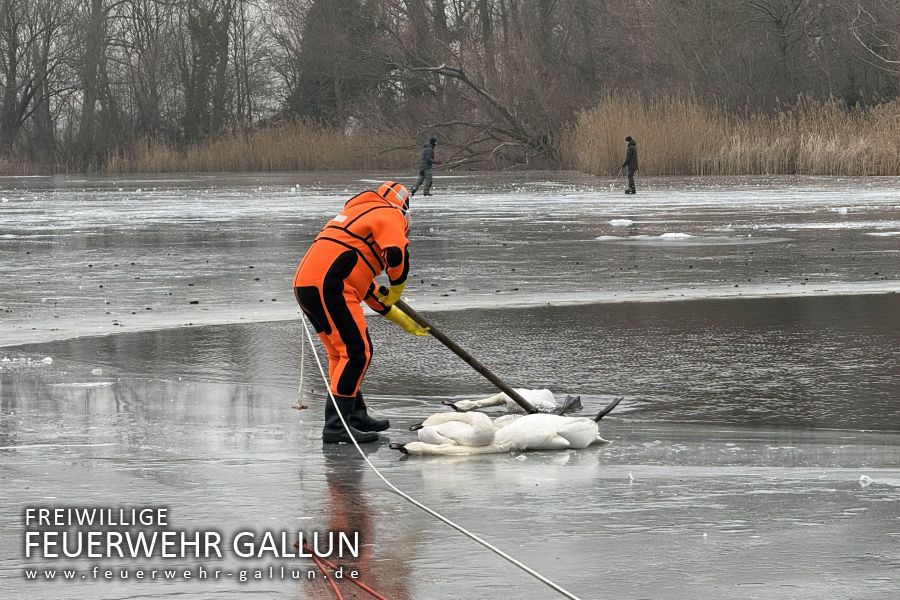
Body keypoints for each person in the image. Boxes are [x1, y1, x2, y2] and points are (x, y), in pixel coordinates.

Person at [293, 181, 429, 444]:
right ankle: (336, 426)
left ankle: (353, 416)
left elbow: (366, 287)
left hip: (309, 284)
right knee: (357, 353)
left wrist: (400, 318)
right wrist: (398, 286)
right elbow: (397, 253)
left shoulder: (357, 222)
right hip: (330, 285)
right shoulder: (389, 213)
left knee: (339, 352)